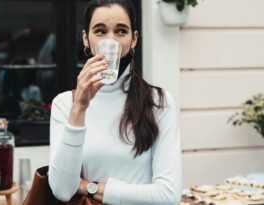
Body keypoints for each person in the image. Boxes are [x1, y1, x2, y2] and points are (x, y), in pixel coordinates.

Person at [48, 0, 182, 204]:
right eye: (100, 31)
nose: (111, 41)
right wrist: (79, 109)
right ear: (86, 39)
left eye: (121, 31)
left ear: (134, 39)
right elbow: (62, 190)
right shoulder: (65, 104)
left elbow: (168, 196)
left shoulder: (159, 102)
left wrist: (89, 186)